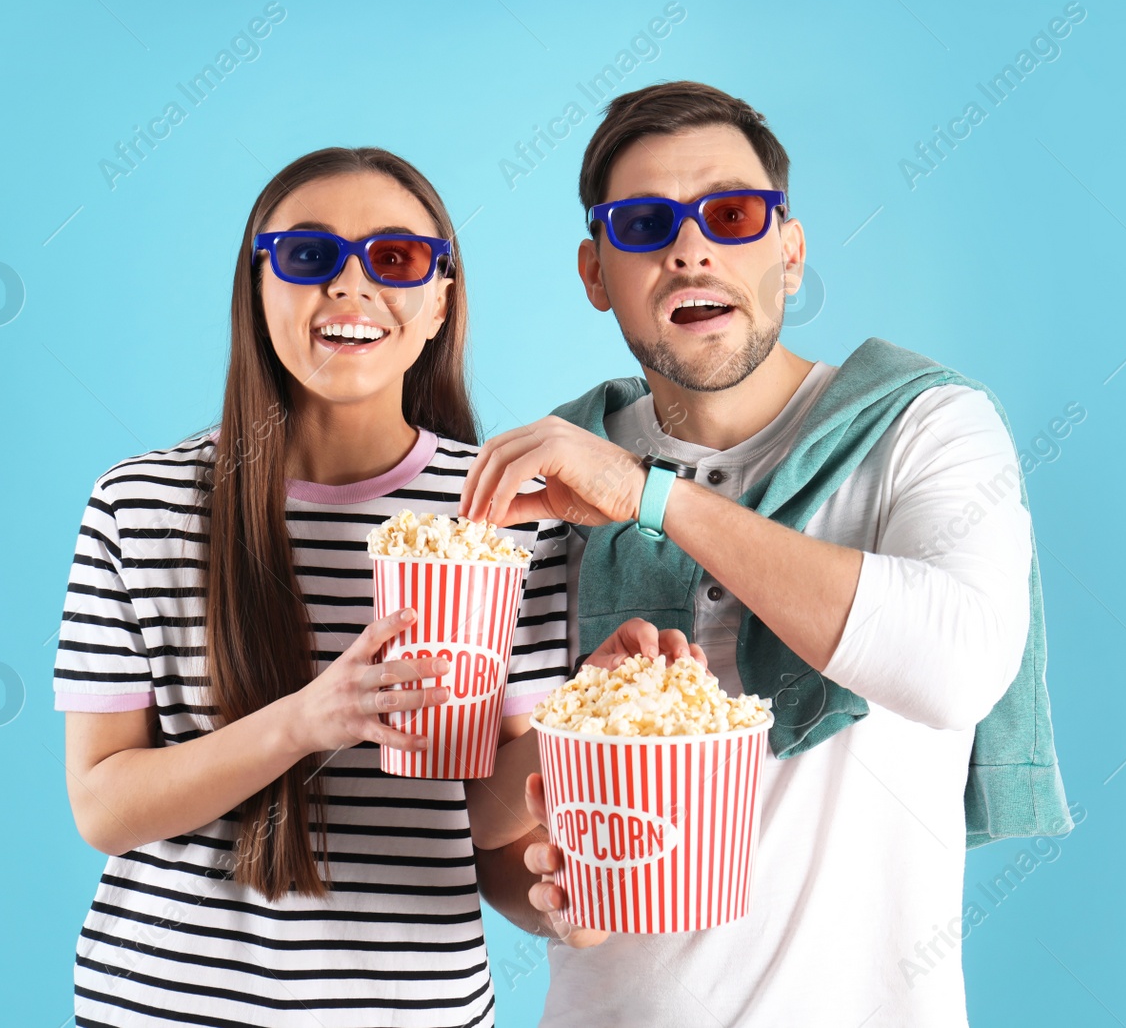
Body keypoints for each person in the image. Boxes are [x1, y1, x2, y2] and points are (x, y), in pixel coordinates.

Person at [460, 82, 1072, 1026]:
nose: (690, 248)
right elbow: (489, 815)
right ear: (595, 272)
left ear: (789, 253)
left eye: (732, 214)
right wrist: (543, 892)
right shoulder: (546, 473)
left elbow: (955, 669)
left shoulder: (926, 427)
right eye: (644, 223)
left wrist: (653, 497)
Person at [54, 146, 645, 1027]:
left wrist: (580, 745)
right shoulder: (141, 505)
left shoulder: (512, 511)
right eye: (308, 256)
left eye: (395, 258)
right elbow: (104, 805)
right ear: (258, 286)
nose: (351, 286)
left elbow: (491, 828)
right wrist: (306, 719)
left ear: (441, 296)